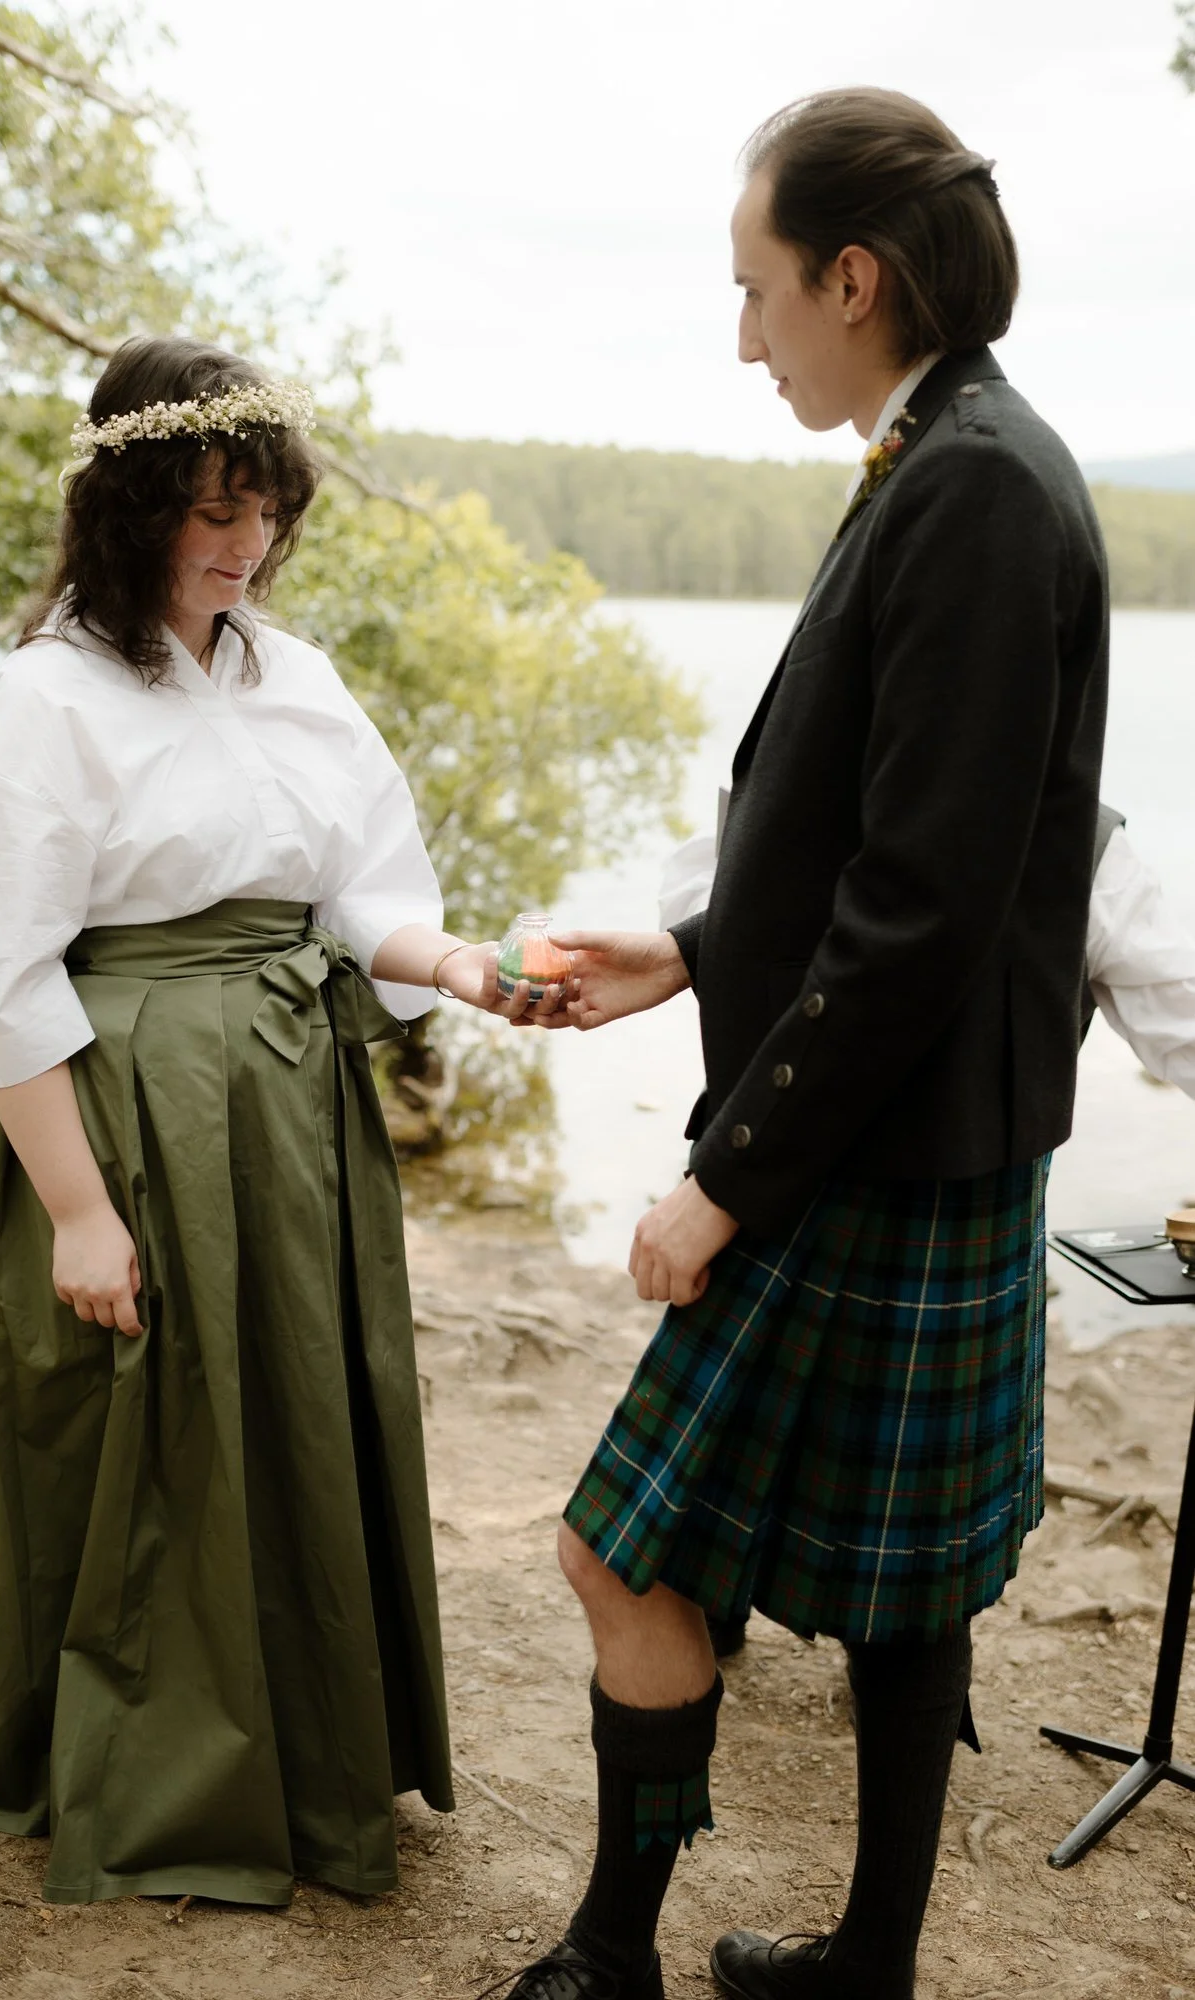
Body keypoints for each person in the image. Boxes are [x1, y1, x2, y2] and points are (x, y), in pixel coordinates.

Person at [489, 89, 1108, 2000]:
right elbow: (875, 838)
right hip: (909, 1129)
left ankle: (615, 1955)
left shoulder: (975, 486)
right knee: (902, 1596)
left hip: (869, 1147)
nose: (743, 336)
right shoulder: (944, 452)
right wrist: (686, 953)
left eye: (754, 290)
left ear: (853, 276)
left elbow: (917, 909)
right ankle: (866, 1969)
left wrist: (721, 1182)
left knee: (624, 1549)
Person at [0, 335, 555, 1909]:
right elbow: (0, 976)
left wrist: (464, 967)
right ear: (131, 509)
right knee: (142, 1432)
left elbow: (362, 894)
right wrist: (77, 1210)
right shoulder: (44, 703)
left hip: (284, 1105)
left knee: (289, 1410)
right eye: (211, 509)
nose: (246, 542)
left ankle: (304, 1747)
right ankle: (137, 1768)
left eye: (264, 509)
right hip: (119, 1115)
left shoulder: (291, 676)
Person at [662, 802, 1195, 1660]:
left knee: (907, 1525)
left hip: (924, 1227)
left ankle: (865, 1664)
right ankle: (717, 1615)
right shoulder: (781, 789)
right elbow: (700, 929)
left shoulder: (1084, 844)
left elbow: (1183, 1018)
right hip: (776, 1179)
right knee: (729, 1450)